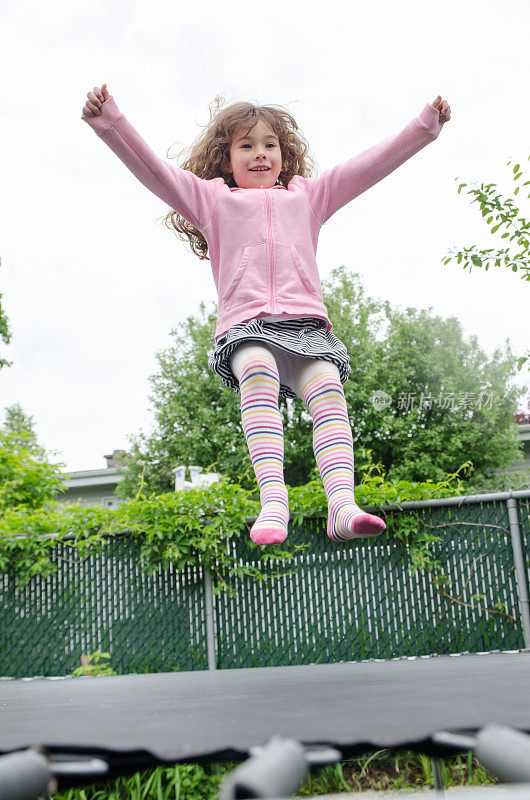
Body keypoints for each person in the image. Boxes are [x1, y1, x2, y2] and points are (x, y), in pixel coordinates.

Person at [81, 85, 451, 546]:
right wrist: (110, 122)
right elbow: (154, 172)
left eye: (269, 145)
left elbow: (368, 166)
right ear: (226, 158)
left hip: (307, 327)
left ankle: (342, 504)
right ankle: (274, 502)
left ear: (284, 154)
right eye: (246, 145)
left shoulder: (310, 197)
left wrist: (424, 128)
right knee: (256, 366)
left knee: (329, 391)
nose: (260, 154)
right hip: (248, 325)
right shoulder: (211, 200)